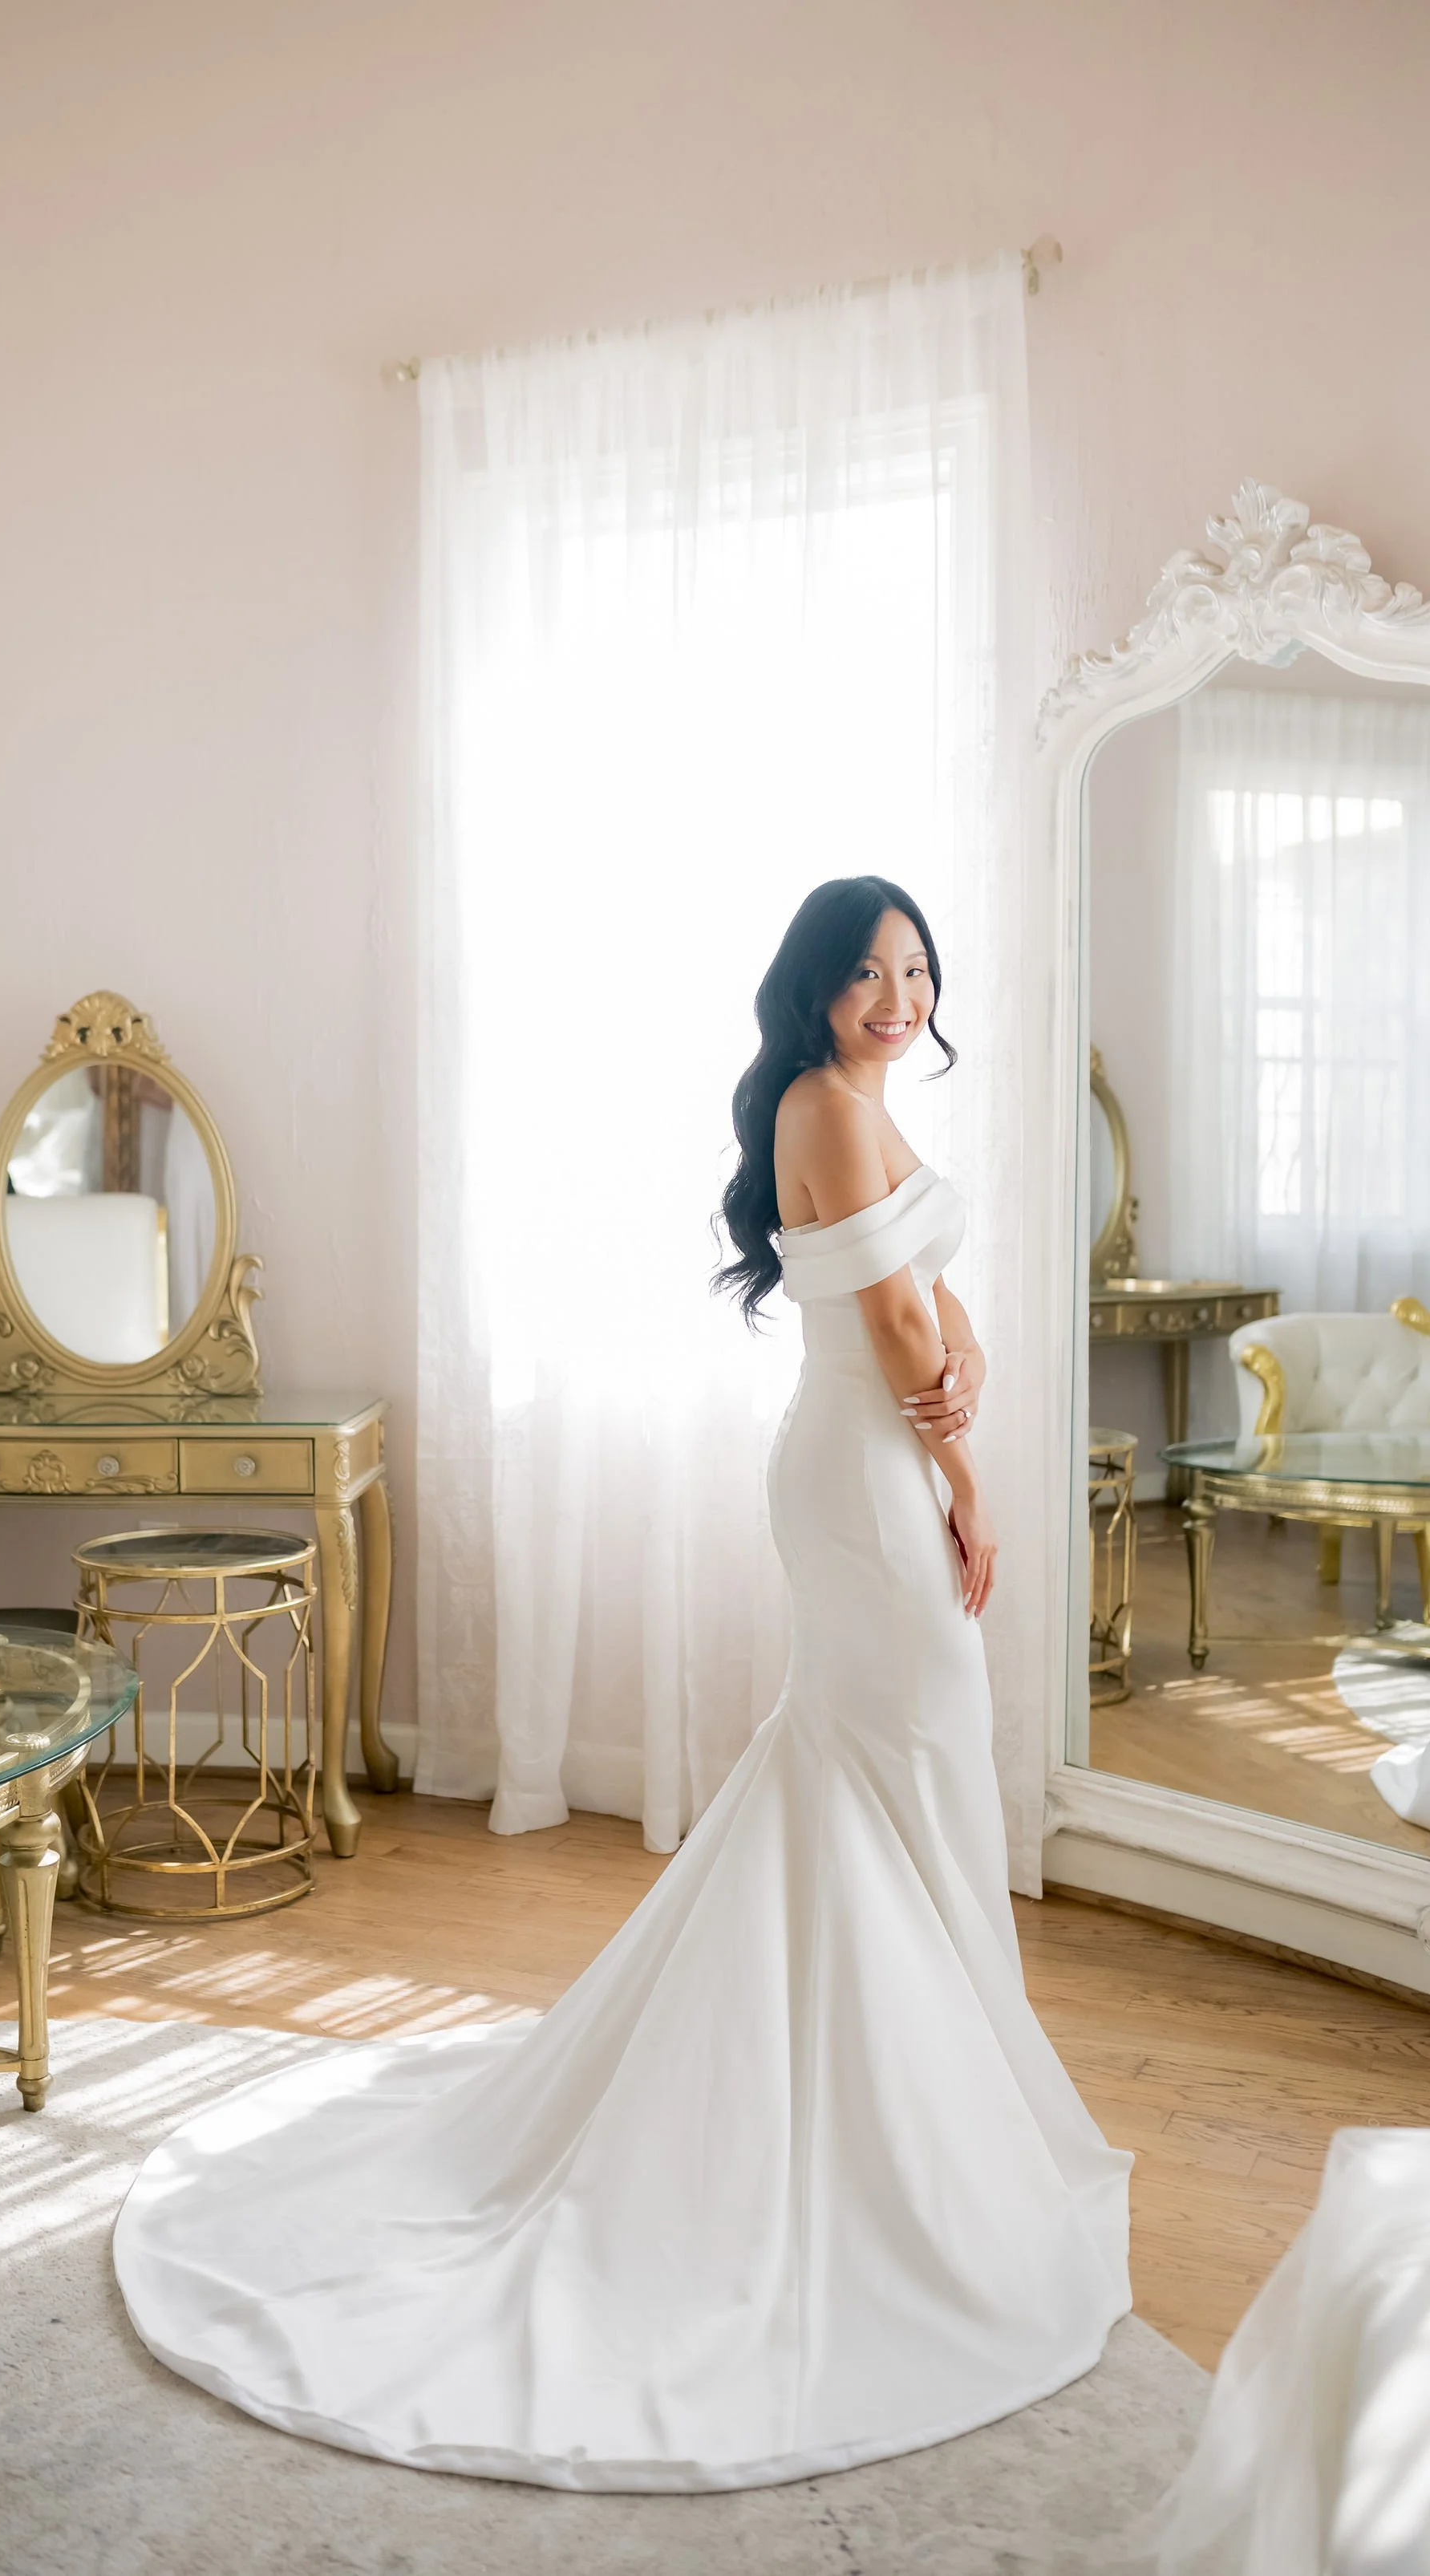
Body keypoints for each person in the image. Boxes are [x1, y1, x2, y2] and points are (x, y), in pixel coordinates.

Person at [114, 874, 1132, 2493]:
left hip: (860, 1468)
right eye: (868, 971)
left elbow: (942, 1339)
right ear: (812, 988)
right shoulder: (828, 1104)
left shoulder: (845, 1106)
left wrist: (964, 1384)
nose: (899, 993)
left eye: (918, 968)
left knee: (877, 1770)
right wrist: (972, 1478)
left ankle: (909, 2105)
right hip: (867, 1491)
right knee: (911, 1755)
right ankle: (892, 2137)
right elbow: (909, 1348)